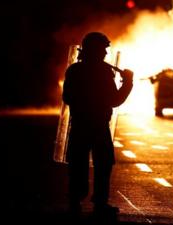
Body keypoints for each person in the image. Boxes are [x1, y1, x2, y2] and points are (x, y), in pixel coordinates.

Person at [62, 32, 133, 217]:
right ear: (94, 50)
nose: (104, 54)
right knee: (103, 163)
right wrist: (128, 83)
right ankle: (99, 202)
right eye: (102, 49)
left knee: (79, 163)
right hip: (97, 125)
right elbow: (114, 100)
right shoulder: (102, 73)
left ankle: (75, 201)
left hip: (80, 124)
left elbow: (67, 97)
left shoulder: (74, 70)